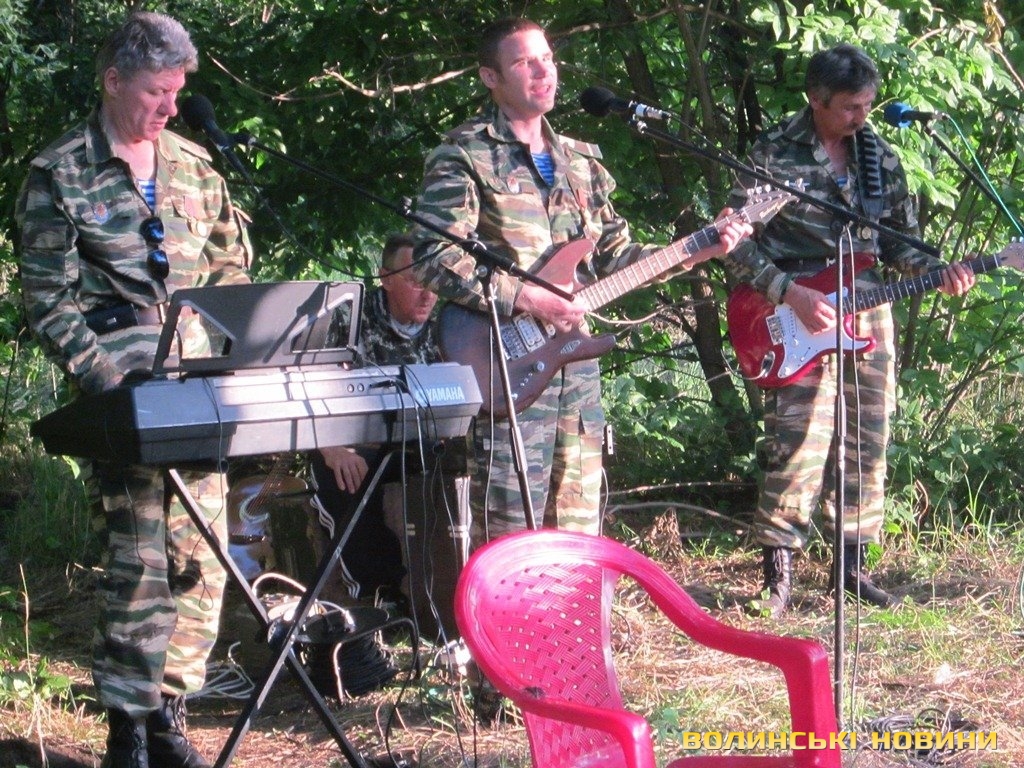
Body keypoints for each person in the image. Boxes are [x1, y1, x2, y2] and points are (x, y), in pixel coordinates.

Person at [409, 16, 752, 547]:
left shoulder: (581, 162)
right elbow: (433, 256)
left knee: (579, 527)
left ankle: (575, 607)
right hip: (505, 364)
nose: (543, 71)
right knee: (509, 533)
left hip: (577, 370)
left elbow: (616, 256)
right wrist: (528, 297)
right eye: (525, 62)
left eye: (548, 58)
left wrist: (700, 248)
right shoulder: (463, 156)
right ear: (490, 77)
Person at [15, 12, 252, 768]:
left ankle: (170, 713)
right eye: (156, 91)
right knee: (140, 560)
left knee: (201, 557)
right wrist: (108, 383)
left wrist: (233, 360)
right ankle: (128, 725)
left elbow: (230, 271)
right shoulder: (59, 172)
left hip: (199, 384)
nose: (171, 107)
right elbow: (48, 299)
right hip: (121, 387)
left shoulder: (194, 165)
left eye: (178, 91)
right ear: (113, 81)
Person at [722, 43, 975, 618]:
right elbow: (733, 244)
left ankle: (852, 570)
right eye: (850, 107)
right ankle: (778, 576)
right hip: (794, 313)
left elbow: (902, 245)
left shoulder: (879, 157)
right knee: (797, 442)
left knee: (868, 437)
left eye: (867, 105)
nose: (862, 116)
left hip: (867, 309)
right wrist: (789, 292)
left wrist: (942, 271)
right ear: (816, 99)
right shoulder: (771, 153)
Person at [309, 233, 442, 604]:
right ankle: (377, 598)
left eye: (434, 283)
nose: (427, 294)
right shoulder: (347, 318)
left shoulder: (451, 324)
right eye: (415, 281)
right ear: (385, 278)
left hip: (424, 444)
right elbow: (310, 387)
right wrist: (333, 448)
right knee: (343, 476)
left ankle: (442, 593)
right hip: (358, 444)